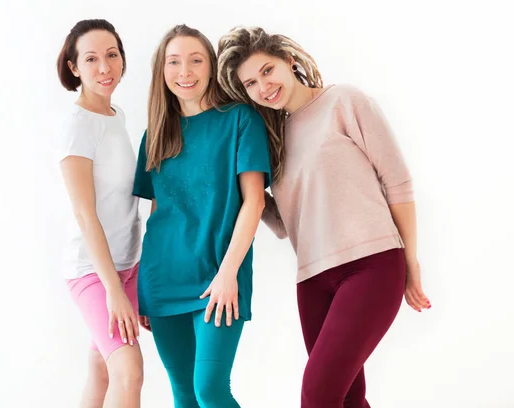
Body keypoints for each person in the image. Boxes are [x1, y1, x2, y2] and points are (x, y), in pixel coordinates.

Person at [217, 26, 432, 408]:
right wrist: (246, 191)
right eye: (250, 83)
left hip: (371, 267)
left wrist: (410, 262)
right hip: (312, 280)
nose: (263, 86)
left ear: (289, 61)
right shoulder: (274, 137)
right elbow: (286, 225)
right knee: (347, 398)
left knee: (317, 396)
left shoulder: (344, 102)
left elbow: (398, 184)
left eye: (267, 70)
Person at [132, 24, 271, 408]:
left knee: (210, 389)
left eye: (196, 61)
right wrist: (145, 287)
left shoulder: (240, 120)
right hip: (163, 279)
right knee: (184, 394)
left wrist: (228, 274)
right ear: (162, 70)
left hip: (219, 275)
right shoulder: (155, 134)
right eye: (174, 62)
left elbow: (254, 203)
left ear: (211, 67)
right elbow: (157, 211)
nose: (185, 71)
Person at [56, 19, 143, 408]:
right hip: (93, 271)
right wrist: (113, 291)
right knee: (129, 370)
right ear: (75, 68)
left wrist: (134, 277)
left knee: (102, 368)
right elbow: (85, 215)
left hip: (127, 264)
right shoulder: (77, 126)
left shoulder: (116, 116)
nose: (105, 67)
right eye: (91, 59)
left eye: (112, 55)